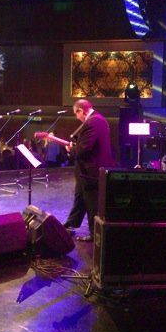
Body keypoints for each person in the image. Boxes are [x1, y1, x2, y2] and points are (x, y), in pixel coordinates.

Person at [63, 99, 115, 242]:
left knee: (92, 204)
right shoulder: (98, 119)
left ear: (81, 110)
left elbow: (83, 149)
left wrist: (71, 149)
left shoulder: (92, 122)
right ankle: (70, 224)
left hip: (91, 172)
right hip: (86, 171)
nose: (77, 117)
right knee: (80, 197)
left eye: (76, 114)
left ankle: (95, 234)